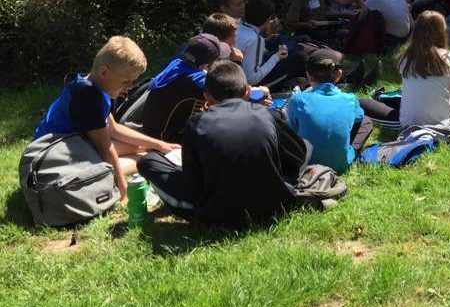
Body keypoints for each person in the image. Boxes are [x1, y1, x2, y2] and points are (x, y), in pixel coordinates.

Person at [137, 61, 308, 226]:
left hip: (215, 213)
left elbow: (193, 181)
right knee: (305, 145)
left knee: (147, 162)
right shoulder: (268, 115)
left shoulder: (196, 123)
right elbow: (298, 155)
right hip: (274, 205)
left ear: (207, 97)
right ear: (247, 91)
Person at [34, 36, 178, 204]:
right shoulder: (88, 97)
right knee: (145, 159)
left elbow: (113, 129)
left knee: (149, 151)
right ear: (104, 72)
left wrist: (161, 145)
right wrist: (125, 193)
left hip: (75, 145)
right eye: (126, 81)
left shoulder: (93, 85)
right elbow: (105, 148)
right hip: (56, 156)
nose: (130, 87)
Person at [359, 11, 450, 129]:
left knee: (359, 103)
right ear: (442, 33)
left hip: (409, 123)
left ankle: (377, 96)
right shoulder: (448, 57)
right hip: (444, 122)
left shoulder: (406, 58)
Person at [286, 49, 368, 173]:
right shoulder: (350, 99)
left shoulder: (298, 100)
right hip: (341, 165)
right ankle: (346, 150)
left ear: (308, 76)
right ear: (338, 75)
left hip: (306, 163)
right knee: (367, 122)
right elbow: (359, 118)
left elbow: (291, 131)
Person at [142, 33, 233, 144]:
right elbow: (230, 94)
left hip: (150, 129)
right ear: (207, 64)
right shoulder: (196, 84)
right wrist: (237, 63)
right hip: (163, 140)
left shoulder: (176, 64)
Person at [238, 0, 307, 86]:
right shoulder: (255, 39)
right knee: (300, 56)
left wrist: (266, 40)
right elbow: (252, 79)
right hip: (250, 84)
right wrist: (276, 57)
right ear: (268, 19)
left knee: (279, 41)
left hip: (239, 72)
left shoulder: (238, 27)